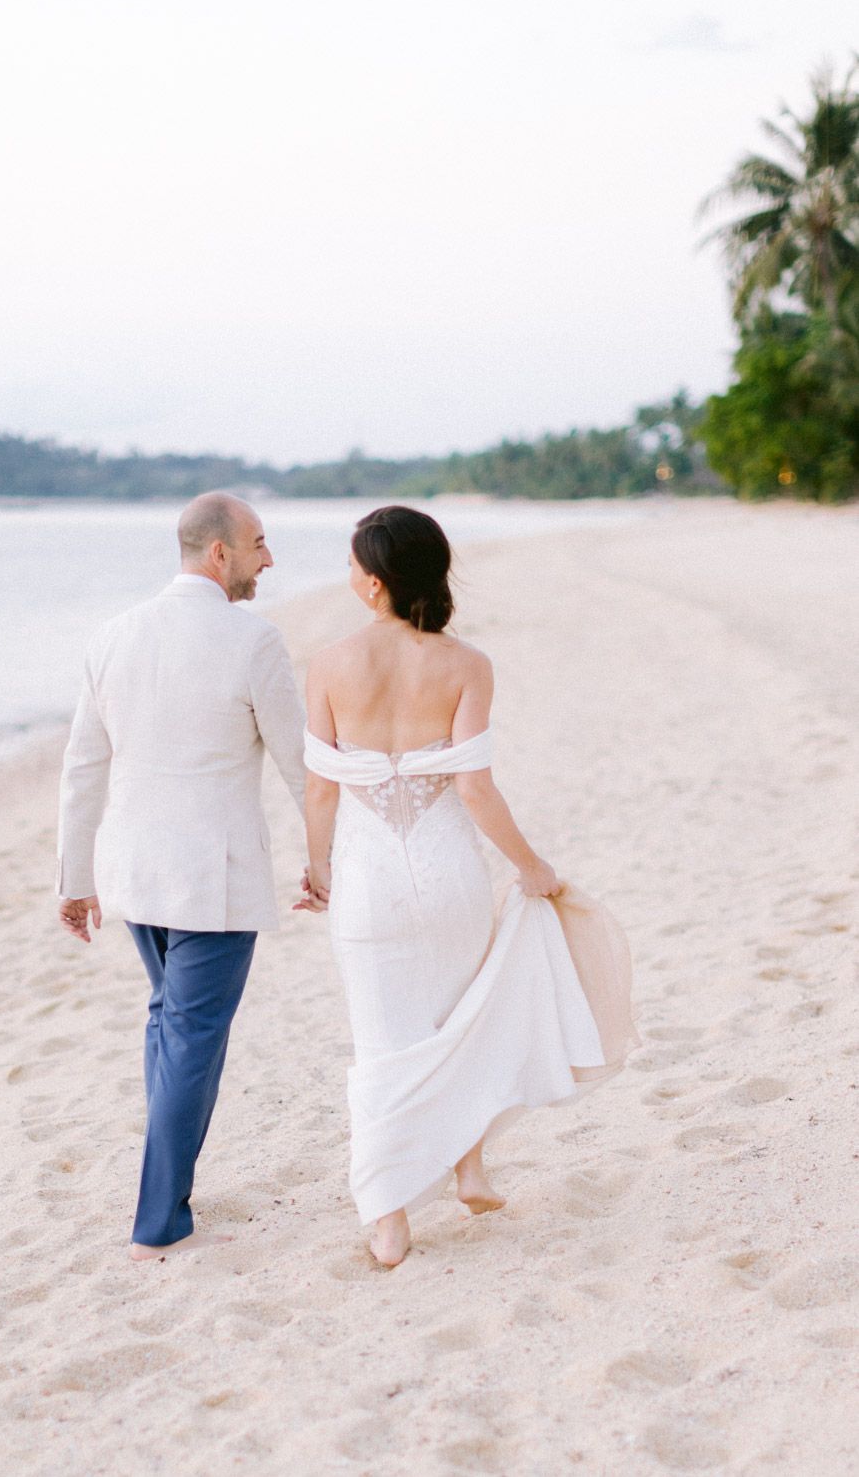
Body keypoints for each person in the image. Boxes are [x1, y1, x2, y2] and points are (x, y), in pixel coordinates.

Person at [296, 506, 636, 1268]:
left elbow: (321, 793)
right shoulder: (467, 665)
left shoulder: (327, 664)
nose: (347, 576)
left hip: (369, 879)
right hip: (448, 872)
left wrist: (316, 870)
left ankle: (387, 1219)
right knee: (460, 1021)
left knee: (384, 1041)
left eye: (352, 565)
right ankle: (470, 1169)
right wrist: (530, 866)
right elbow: (476, 790)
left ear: (375, 580)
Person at [57, 492, 308, 1260]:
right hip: (214, 879)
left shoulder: (113, 635)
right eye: (259, 544)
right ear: (218, 553)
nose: (269, 559)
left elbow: (82, 768)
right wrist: (330, 854)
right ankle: (158, 1219)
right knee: (191, 1035)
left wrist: (74, 876)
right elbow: (303, 767)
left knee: (172, 1025)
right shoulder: (253, 641)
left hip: (136, 872)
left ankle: (178, 1189)